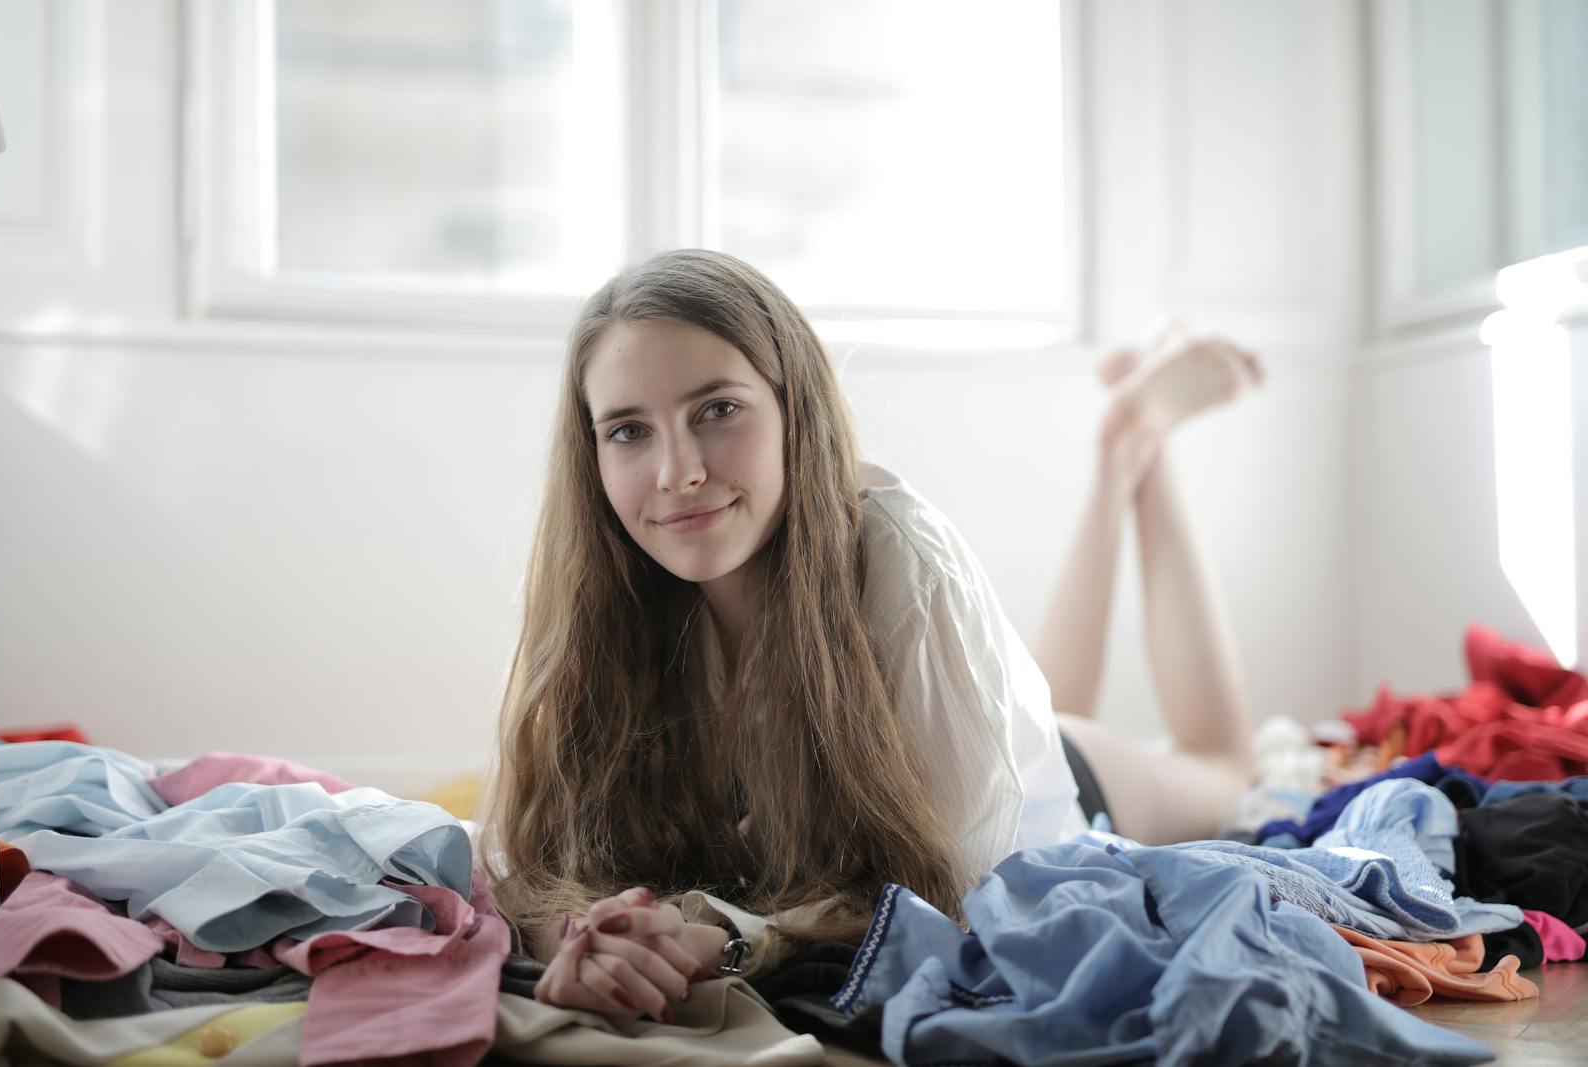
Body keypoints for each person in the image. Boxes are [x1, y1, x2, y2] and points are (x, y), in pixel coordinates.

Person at [475, 248, 1263, 1025]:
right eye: (627, 431)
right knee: (1037, 696)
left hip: (1031, 800)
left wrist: (719, 935)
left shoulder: (900, 555)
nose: (677, 471)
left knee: (1218, 765)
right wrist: (587, 936)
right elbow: (517, 867)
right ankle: (1124, 441)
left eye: (717, 410)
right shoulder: (592, 589)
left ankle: (1133, 442)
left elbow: (963, 887)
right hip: (966, 741)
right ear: (593, 452)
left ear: (795, 408)